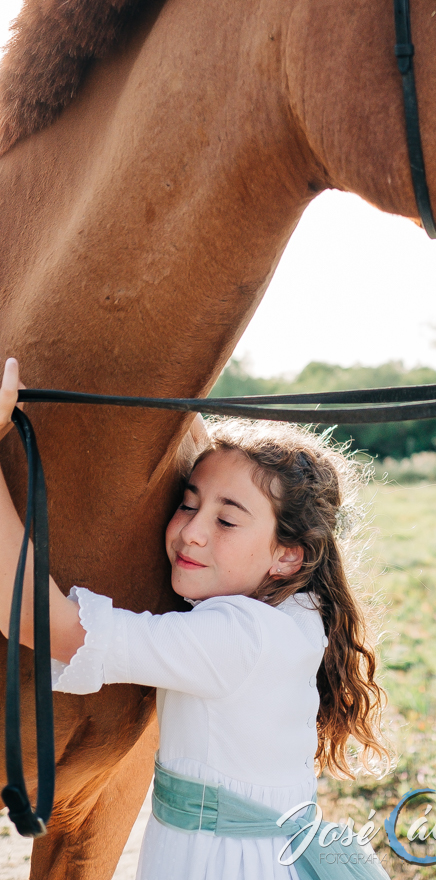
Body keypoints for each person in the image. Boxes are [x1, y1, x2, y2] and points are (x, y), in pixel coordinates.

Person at [0, 358, 391, 880]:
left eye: (226, 519)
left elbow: (43, 623)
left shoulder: (236, 638)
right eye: (188, 505)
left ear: (287, 556)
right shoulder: (297, 609)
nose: (193, 533)